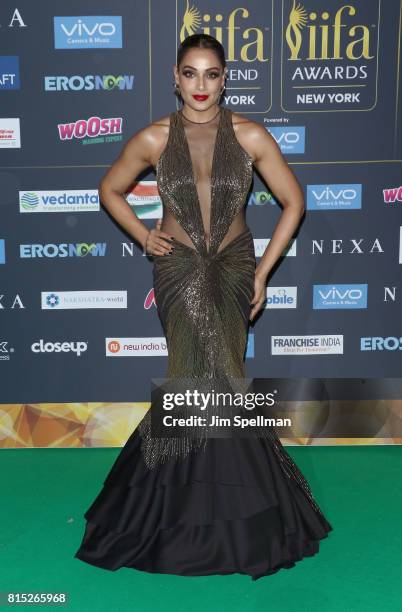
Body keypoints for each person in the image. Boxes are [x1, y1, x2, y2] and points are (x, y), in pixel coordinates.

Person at [74, 33, 332, 581]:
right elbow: (109, 189)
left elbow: (295, 201)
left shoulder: (250, 134)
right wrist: (144, 236)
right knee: (195, 379)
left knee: (227, 383)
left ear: (225, 78)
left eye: (211, 74)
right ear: (174, 76)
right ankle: (178, 517)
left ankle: (229, 519)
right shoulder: (151, 138)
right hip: (180, 273)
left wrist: (263, 270)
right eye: (190, 73)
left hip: (236, 270)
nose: (200, 86)